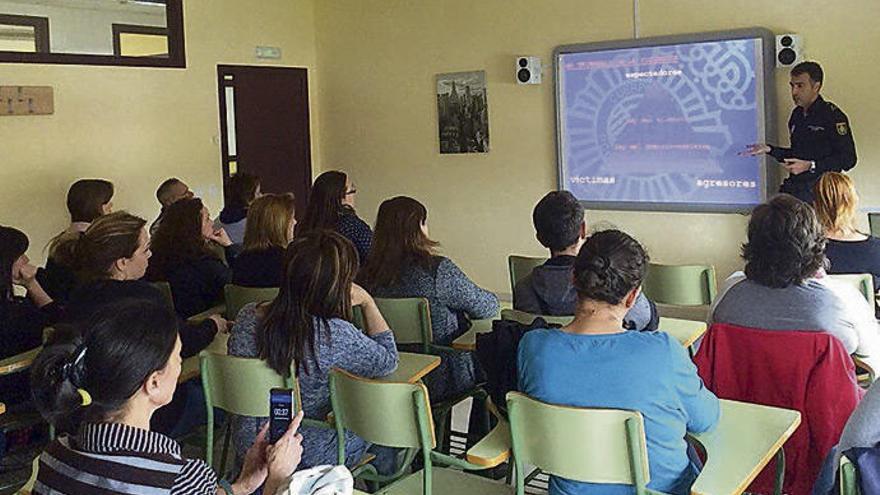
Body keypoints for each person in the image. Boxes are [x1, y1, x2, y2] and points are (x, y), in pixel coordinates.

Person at [30, 299, 303, 495]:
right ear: (154, 383)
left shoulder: (52, 458)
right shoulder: (180, 479)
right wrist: (277, 481)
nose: (181, 364)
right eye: (178, 357)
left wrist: (244, 484)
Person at [518, 229, 719, 495]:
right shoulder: (664, 353)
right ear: (633, 297)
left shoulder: (533, 348)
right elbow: (705, 419)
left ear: (573, 278)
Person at [228, 230, 400, 473]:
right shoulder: (333, 334)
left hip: (249, 444)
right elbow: (389, 360)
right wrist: (368, 302)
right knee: (382, 418)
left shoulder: (247, 316)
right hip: (307, 452)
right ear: (337, 284)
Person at [62, 211, 227, 435]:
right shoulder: (145, 299)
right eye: (145, 249)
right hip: (149, 411)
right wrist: (213, 326)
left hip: (86, 411)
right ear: (122, 263)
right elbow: (183, 343)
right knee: (220, 397)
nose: (150, 255)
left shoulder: (76, 297)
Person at [711, 194, 880, 371]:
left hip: (740, 397)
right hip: (819, 397)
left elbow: (713, 339)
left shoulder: (729, 290)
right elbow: (873, 362)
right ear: (817, 244)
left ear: (752, 244)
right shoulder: (844, 297)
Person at [359, 196, 499, 402]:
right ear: (418, 228)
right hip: (440, 376)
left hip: (386, 375)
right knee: (495, 361)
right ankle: (479, 433)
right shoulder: (437, 271)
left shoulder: (364, 277)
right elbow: (486, 307)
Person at [514, 191, 658, 331]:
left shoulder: (523, 290)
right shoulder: (614, 282)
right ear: (582, 229)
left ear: (540, 238)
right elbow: (648, 319)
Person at [743, 61, 856, 203]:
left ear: (816, 86)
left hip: (821, 192)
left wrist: (811, 165)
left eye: (800, 86)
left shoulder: (833, 116)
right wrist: (769, 149)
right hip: (797, 187)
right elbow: (797, 155)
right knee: (775, 213)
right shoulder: (797, 115)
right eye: (792, 86)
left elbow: (849, 159)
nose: (794, 92)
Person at [146, 197, 234, 318]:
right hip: (204, 322)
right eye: (207, 219)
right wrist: (229, 246)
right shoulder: (205, 263)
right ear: (194, 227)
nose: (212, 223)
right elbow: (235, 286)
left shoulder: (154, 257)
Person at [0, 226, 60, 403]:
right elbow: (59, 324)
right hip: (16, 398)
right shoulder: (14, 313)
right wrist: (32, 285)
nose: (27, 259)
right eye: (20, 257)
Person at [38, 179, 114, 302]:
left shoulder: (60, 240)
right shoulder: (96, 243)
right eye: (108, 203)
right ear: (99, 207)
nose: (111, 208)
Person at [814, 172, 880, 293]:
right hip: (864, 311)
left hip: (820, 311)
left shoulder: (805, 250)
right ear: (853, 202)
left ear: (815, 205)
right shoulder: (876, 250)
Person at [298, 171, 372, 263]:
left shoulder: (305, 228)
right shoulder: (353, 227)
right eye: (352, 191)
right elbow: (374, 258)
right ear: (341, 198)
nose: (354, 195)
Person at [232, 193, 296, 289]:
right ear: (279, 225)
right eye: (291, 218)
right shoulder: (291, 263)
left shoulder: (239, 264)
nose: (295, 222)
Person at [217, 173, 262, 245]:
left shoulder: (216, 223)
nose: (261, 196)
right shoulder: (256, 225)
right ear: (248, 199)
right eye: (258, 193)